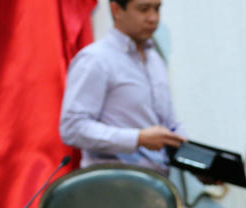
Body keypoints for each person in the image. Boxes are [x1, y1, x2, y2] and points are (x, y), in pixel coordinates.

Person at [60, 0, 186, 175]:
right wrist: (137, 138)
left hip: (157, 183)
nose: (153, 18)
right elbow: (72, 127)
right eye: (143, 9)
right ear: (116, 10)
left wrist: (194, 161)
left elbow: (168, 125)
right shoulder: (96, 59)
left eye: (157, 9)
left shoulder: (155, 60)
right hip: (114, 183)